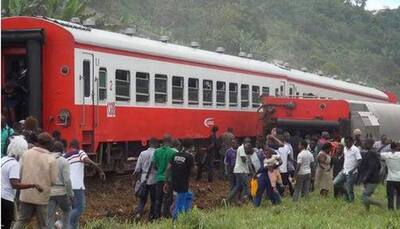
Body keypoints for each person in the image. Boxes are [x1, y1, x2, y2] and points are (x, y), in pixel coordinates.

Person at [13, 132, 58, 229]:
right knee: (43, 224)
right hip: (41, 197)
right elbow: (53, 180)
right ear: (48, 144)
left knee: (22, 220)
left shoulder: (26, 154)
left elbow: (19, 173)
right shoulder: (51, 159)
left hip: (26, 195)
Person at [1, 136, 42, 229]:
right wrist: (32, 185)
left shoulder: (3, 159)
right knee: (5, 225)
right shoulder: (14, 164)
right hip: (5, 200)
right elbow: (14, 184)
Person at [65, 139, 106, 229]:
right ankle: (63, 223)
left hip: (67, 186)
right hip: (76, 185)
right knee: (80, 208)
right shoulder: (79, 152)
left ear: (69, 147)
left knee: (73, 208)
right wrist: (100, 170)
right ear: (78, 146)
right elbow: (86, 160)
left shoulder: (65, 156)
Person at [165, 139, 195, 220]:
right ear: (191, 147)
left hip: (174, 183)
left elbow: (168, 168)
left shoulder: (175, 155)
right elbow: (193, 172)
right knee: (180, 206)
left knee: (190, 195)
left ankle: (186, 215)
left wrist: (166, 182)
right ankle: (175, 221)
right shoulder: (190, 156)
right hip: (183, 184)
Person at [47, 141, 74, 229]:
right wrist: (71, 195)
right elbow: (67, 180)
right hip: (62, 193)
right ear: (62, 150)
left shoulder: (46, 160)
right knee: (67, 210)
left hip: (49, 192)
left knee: (49, 215)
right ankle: (65, 227)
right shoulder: (64, 161)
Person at [132, 138, 159, 220]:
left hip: (143, 179)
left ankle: (138, 214)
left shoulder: (142, 153)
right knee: (153, 200)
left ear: (149, 144)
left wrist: (134, 180)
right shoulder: (157, 153)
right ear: (157, 144)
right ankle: (151, 217)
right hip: (154, 179)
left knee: (142, 199)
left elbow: (137, 169)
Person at [153, 134, 176, 219]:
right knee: (167, 199)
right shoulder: (173, 152)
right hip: (169, 179)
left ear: (162, 141)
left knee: (158, 199)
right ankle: (165, 217)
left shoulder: (156, 151)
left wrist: (160, 171)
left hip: (159, 178)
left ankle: (156, 217)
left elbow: (154, 166)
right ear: (171, 142)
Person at [333, 136, 362, 203]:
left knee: (350, 189)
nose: (346, 143)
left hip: (352, 173)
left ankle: (351, 202)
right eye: (345, 142)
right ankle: (345, 192)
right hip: (344, 171)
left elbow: (360, 160)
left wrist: (353, 169)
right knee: (335, 183)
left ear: (352, 142)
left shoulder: (355, 149)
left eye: (348, 142)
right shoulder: (345, 149)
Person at [358, 139, 382, 211]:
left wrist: (366, 177)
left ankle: (380, 204)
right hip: (369, 179)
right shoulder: (369, 153)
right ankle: (367, 210)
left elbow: (372, 167)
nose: (363, 144)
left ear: (369, 144)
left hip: (372, 179)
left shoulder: (372, 153)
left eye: (365, 143)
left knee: (364, 197)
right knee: (367, 195)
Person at [227, 138, 252, 204]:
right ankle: (244, 200)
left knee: (238, 186)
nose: (248, 144)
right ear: (244, 143)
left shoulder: (243, 149)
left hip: (239, 170)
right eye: (247, 143)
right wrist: (249, 157)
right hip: (241, 170)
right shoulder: (241, 148)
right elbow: (243, 159)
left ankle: (228, 199)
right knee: (246, 185)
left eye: (249, 143)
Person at [380, 142, 400, 210]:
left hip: (390, 179)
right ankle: (398, 208)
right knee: (399, 195)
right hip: (399, 178)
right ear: (398, 147)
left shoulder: (386, 155)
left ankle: (391, 209)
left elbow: (377, 153)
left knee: (390, 196)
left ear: (390, 147)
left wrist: (384, 146)